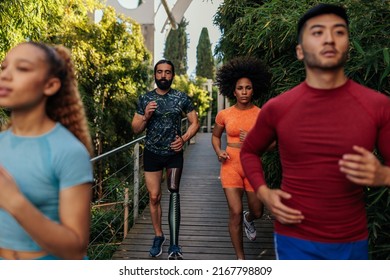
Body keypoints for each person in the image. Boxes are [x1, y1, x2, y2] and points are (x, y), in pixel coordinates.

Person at [241, 3, 390, 260]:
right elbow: (249, 151)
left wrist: (383, 175)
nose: (330, 39)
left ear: (348, 45)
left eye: (339, 32)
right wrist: (264, 193)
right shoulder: (278, 108)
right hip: (293, 239)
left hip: (352, 241)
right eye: (318, 32)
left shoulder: (379, 106)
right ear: (299, 50)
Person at [0, 42, 94, 260]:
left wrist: (15, 202)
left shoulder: (69, 151)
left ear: (50, 85)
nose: (5, 75)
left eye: (22, 68)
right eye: (4, 67)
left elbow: (76, 250)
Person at [131, 59, 199, 260]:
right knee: (154, 197)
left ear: (173, 75)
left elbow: (195, 122)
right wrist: (145, 116)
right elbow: (135, 128)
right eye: (159, 72)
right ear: (155, 75)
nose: (163, 76)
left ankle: (175, 245)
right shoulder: (145, 99)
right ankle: (159, 236)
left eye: (167, 72)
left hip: (173, 154)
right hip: (152, 153)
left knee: (174, 193)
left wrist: (184, 139)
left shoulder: (181, 97)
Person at [212, 57, 272, 259]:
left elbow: (274, 143)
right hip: (230, 165)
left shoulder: (261, 114)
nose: (244, 91)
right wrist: (219, 151)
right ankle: (240, 259)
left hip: (252, 165)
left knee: (257, 211)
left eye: (248, 88)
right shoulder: (224, 114)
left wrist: (255, 140)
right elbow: (215, 136)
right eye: (240, 88)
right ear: (234, 90)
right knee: (235, 212)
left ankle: (250, 218)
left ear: (253, 90)